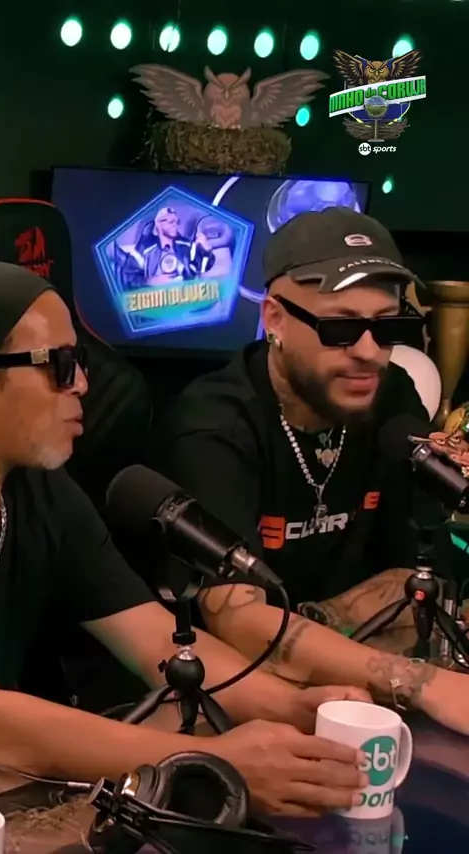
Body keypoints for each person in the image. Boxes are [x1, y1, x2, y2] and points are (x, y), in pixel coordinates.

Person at [0, 259, 377, 818]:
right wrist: (214, 761)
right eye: (60, 364)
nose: (83, 384)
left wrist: (293, 707)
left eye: (82, 362)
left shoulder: (41, 490)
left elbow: (154, 637)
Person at [149, 207, 469, 735]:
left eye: (389, 327)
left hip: (354, 694)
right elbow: (236, 619)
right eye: (340, 328)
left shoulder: (389, 397)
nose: (368, 352)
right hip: (224, 703)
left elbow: (416, 578)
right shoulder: (212, 426)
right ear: (275, 319)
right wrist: (419, 682)